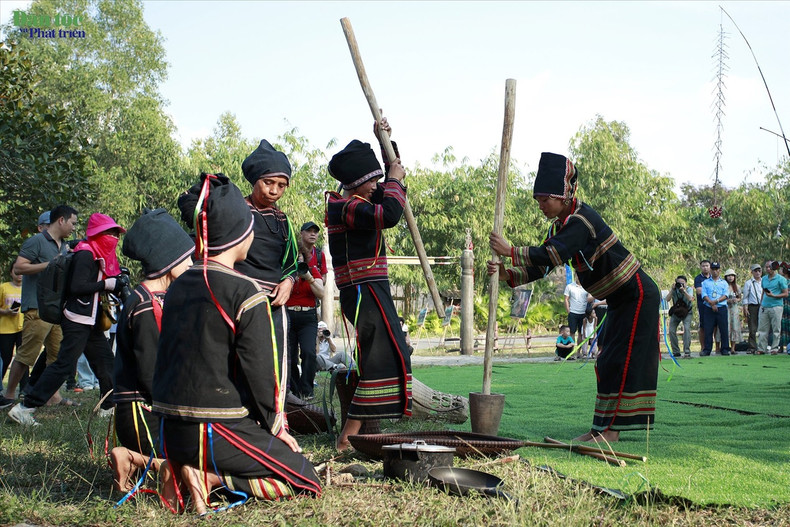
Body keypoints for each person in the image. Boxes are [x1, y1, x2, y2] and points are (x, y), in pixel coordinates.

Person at [153, 175, 320, 513]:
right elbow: (260, 375)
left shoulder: (178, 285)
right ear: (242, 235)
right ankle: (209, 479)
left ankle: (173, 465)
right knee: (306, 478)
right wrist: (276, 428)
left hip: (169, 431)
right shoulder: (245, 293)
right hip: (212, 429)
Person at [488, 151, 659, 443]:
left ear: (564, 196)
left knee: (621, 360)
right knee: (605, 362)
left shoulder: (582, 219)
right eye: (539, 200)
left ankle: (611, 434)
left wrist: (511, 251)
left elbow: (551, 253)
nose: (541, 206)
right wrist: (509, 275)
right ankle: (600, 430)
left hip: (637, 295)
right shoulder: (561, 226)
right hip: (619, 300)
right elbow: (543, 265)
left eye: (545, 200)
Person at [178, 140, 299, 396]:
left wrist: (289, 281)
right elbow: (193, 207)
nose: (275, 191)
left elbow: (291, 263)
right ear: (254, 180)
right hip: (235, 299)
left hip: (273, 304)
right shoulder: (236, 210)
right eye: (268, 183)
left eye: (282, 185)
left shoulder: (283, 220)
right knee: (235, 359)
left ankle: (273, 414)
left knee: (273, 363)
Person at [325, 118, 412, 452]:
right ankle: (347, 436)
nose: (378, 185)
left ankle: (353, 432)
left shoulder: (360, 201)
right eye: (373, 180)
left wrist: (385, 142)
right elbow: (389, 213)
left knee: (385, 354)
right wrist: (393, 178)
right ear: (358, 184)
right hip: (363, 293)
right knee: (383, 356)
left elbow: (392, 198)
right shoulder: (345, 207)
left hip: (371, 291)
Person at [9, 213, 125, 426]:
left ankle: (108, 406)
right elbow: (77, 287)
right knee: (63, 365)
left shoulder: (95, 253)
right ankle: (25, 408)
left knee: (105, 361)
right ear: (98, 233)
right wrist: (106, 285)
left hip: (89, 320)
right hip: (77, 319)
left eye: (116, 233)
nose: (114, 237)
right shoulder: (86, 254)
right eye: (110, 232)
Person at [110, 208, 194, 494]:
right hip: (143, 413)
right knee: (192, 469)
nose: (192, 264)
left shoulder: (151, 298)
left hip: (147, 409)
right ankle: (134, 458)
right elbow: (151, 370)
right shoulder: (146, 305)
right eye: (188, 259)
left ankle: (139, 462)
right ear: (169, 263)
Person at [3, 205, 78, 408]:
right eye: (72, 223)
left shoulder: (64, 246)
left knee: (57, 355)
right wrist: (50, 264)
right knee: (27, 353)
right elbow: (19, 267)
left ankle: (53, 396)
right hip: (36, 306)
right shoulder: (36, 241)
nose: (74, 227)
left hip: (57, 309)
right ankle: (9, 396)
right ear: (60, 220)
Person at [286, 221, 326, 399]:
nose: (299, 260)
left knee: (309, 352)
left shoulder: (312, 269)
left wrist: (308, 276)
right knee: (290, 357)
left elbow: (322, 293)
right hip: (288, 315)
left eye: (302, 257)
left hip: (308, 315)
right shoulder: (286, 270)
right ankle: (294, 390)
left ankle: (307, 389)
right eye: (296, 257)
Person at [0, 264, 24, 408]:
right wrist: (6, 312)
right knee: (5, 358)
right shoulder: (3, 287)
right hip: (5, 329)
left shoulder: (28, 288)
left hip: (23, 328)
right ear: (11, 272)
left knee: (24, 358)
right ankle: (1, 390)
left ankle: (24, 389)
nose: (19, 273)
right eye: (16, 270)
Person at [757, 260, 788, 355]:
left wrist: (774, 296)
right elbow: (763, 292)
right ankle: (762, 348)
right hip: (764, 306)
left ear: (774, 267)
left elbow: (785, 293)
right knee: (762, 329)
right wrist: (761, 303)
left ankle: (774, 348)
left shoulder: (781, 279)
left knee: (776, 328)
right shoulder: (764, 279)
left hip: (776, 306)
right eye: (766, 267)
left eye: (769, 267)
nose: (768, 269)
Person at [700, 262, 731, 356]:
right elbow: (704, 294)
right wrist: (711, 303)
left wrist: (716, 301)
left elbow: (726, 295)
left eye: (717, 269)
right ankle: (707, 349)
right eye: (713, 269)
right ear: (711, 270)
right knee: (708, 329)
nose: (715, 271)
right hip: (709, 308)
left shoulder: (724, 283)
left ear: (719, 270)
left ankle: (725, 348)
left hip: (721, 307)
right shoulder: (705, 282)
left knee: (723, 329)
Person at [665, 275, 694, 359]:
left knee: (687, 329)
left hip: (687, 312)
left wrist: (684, 291)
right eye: (679, 283)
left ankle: (687, 351)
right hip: (676, 312)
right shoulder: (674, 289)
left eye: (682, 283)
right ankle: (676, 351)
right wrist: (672, 290)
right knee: (671, 330)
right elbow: (667, 299)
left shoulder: (689, 289)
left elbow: (690, 299)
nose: (680, 285)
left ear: (686, 283)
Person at [741, 263, 763, 353]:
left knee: (763, 327)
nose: (757, 273)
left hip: (763, 305)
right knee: (752, 328)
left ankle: (763, 346)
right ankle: (752, 347)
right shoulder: (748, 283)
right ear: (752, 272)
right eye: (756, 271)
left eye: (759, 271)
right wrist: (745, 308)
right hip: (752, 306)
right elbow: (745, 297)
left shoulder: (764, 281)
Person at [563, 278, 588, 356]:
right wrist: (568, 311)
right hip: (573, 312)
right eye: (577, 274)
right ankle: (572, 351)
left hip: (583, 313)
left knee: (581, 333)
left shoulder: (586, 286)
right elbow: (566, 299)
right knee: (572, 332)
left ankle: (578, 352)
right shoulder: (570, 286)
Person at [694, 259, 712, 352]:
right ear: (701, 267)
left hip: (714, 305)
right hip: (703, 305)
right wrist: (711, 292)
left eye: (707, 266)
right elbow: (699, 291)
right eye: (703, 266)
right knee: (703, 326)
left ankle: (717, 347)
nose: (705, 268)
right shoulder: (698, 278)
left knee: (715, 326)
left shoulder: (714, 277)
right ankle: (703, 346)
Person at [723, 269, 743, 351]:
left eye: (732, 276)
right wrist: (728, 301)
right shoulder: (723, 286)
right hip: (725, 308)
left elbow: (739, 298)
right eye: (729, 276)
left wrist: (736, 300)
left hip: (734, 309)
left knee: (734, 326)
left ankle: (733, 348)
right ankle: (724, 346)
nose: (730, 277)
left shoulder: (737, 287)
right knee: (726, 327)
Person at [780, 263, 790, 354]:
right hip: (782, 304)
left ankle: (784, 346)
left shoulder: (784, 281)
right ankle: (781, 346)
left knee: (784, 326)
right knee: (782, 325)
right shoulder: (781, 281)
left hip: (786, 305)